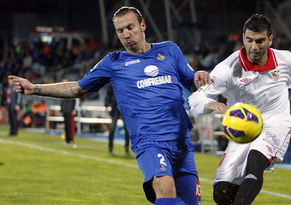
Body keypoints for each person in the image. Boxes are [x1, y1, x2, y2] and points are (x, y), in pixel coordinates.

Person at [8, 6, 210, 205]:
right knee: (165, 188)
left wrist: (198, 77)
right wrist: (35, 88)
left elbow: (192, 81)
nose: (126, 34)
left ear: (142, 25)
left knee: (189, 201)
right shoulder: (113, 62)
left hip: (181, 141)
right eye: (120, 30)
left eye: (130, 27)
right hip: (149, 142)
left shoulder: (170, 50)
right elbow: (77, 89)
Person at [188, 14, 291, 205]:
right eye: (249, 40)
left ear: (270, 39)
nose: (254, 47)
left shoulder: (284, 60)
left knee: (255, 162)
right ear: (243, 38)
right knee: (222, 193)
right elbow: (196, 97)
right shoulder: (227, 69)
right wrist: (210, 104)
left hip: (276, 123)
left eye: (259, 41)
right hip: (244, 131)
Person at [104, 84, 130, 154]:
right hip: (115, 108)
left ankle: (127, 148)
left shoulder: (125, 82)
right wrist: (106, 105)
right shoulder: (112, 83)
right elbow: (108, 94)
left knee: (127, 129)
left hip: (124, 108)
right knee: (112, 128)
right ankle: (110, 148)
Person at [60, 78, 76, 144]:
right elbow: (62, 102)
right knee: (66, 126)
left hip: (69, 111)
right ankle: (67, 139)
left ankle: (71, 139)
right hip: (65, 110)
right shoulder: (62, 91)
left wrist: (73, 109)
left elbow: (74, 101)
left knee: (70, 126)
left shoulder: (71, 90)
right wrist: (61, 110)